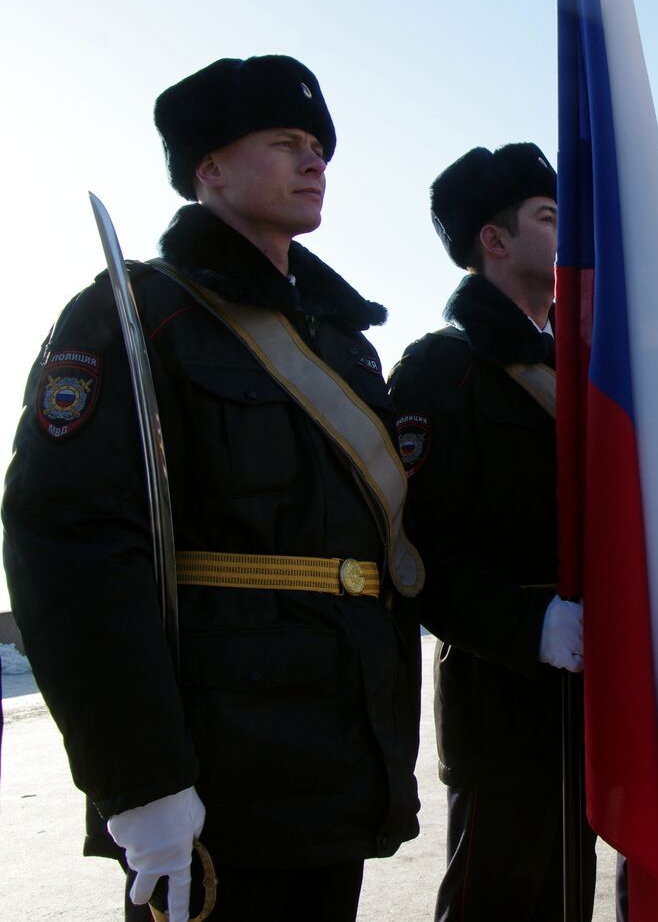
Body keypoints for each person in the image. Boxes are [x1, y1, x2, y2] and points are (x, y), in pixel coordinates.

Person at [3, 55, 423, 922]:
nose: (316, 162)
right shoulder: (134, 314)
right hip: (216, 768)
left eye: (318, 146)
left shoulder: (343, 346)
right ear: (210, 170)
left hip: (336, 762)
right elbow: (69, 552)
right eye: (286, 142)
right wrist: (142, 782)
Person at [389, 143, 596, 921]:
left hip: (591, 691)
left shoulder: (579, 370)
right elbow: (422, 548)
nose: (571, 231)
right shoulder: (443, 371)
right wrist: (535, 624)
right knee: (500, 902)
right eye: (550, 217)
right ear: (495, 240)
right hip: (503, 692)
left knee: (568, 896)